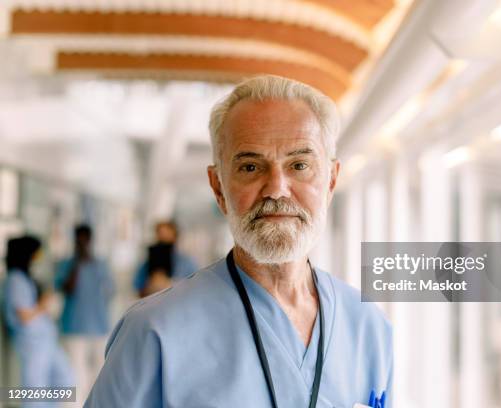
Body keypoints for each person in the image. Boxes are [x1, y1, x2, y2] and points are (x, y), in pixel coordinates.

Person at [85, 75, 393, 407]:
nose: (276, 188)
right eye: (250, 167)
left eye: (299, 165)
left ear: (331, 181)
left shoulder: (367, 327)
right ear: (218, 187)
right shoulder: (154, 332)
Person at [2, 235, 74, 406]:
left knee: (65, 381)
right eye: (36, 254)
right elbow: (25, 316)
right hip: (31, 343)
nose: (38, 258)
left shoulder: (24, 278)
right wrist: (44, 303)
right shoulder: (15, 280)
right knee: (34, 390)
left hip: (45, 340)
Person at [55, 224, 115, 406]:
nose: (81, 243)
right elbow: (65, 289)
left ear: (90, 240)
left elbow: (110, 292)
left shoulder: (101, 264)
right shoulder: (67, 264)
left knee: (99, 371)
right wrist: (77, 266)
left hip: (99, 325)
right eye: (78, 240)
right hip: (73, 326)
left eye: (84, 240)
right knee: (74, 372)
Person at [132, 221, 198, 297]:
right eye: (160, 235)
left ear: (175, 236)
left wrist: (172, 284)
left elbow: (195, 287)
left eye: (167, 235)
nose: (163, 238)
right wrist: (150, 286)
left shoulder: (186, 262)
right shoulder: (147, 263)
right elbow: (138, 287)